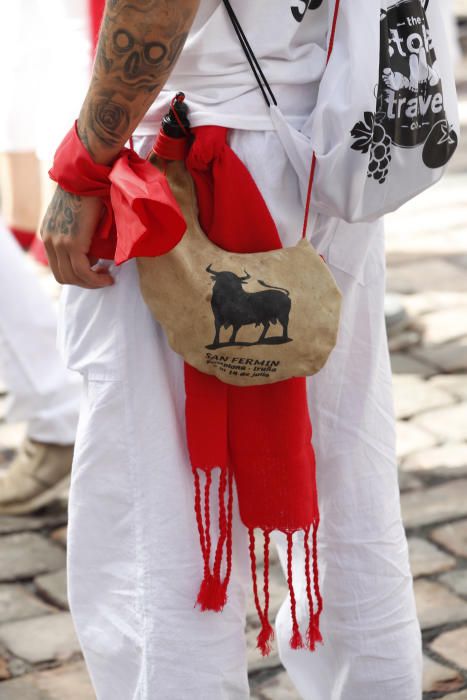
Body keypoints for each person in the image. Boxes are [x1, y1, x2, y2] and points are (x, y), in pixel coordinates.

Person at [41, 2, 425, 698]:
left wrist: (83, 167)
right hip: (321, 146)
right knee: (346, 474)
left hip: (194, 163)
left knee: (153, 507)